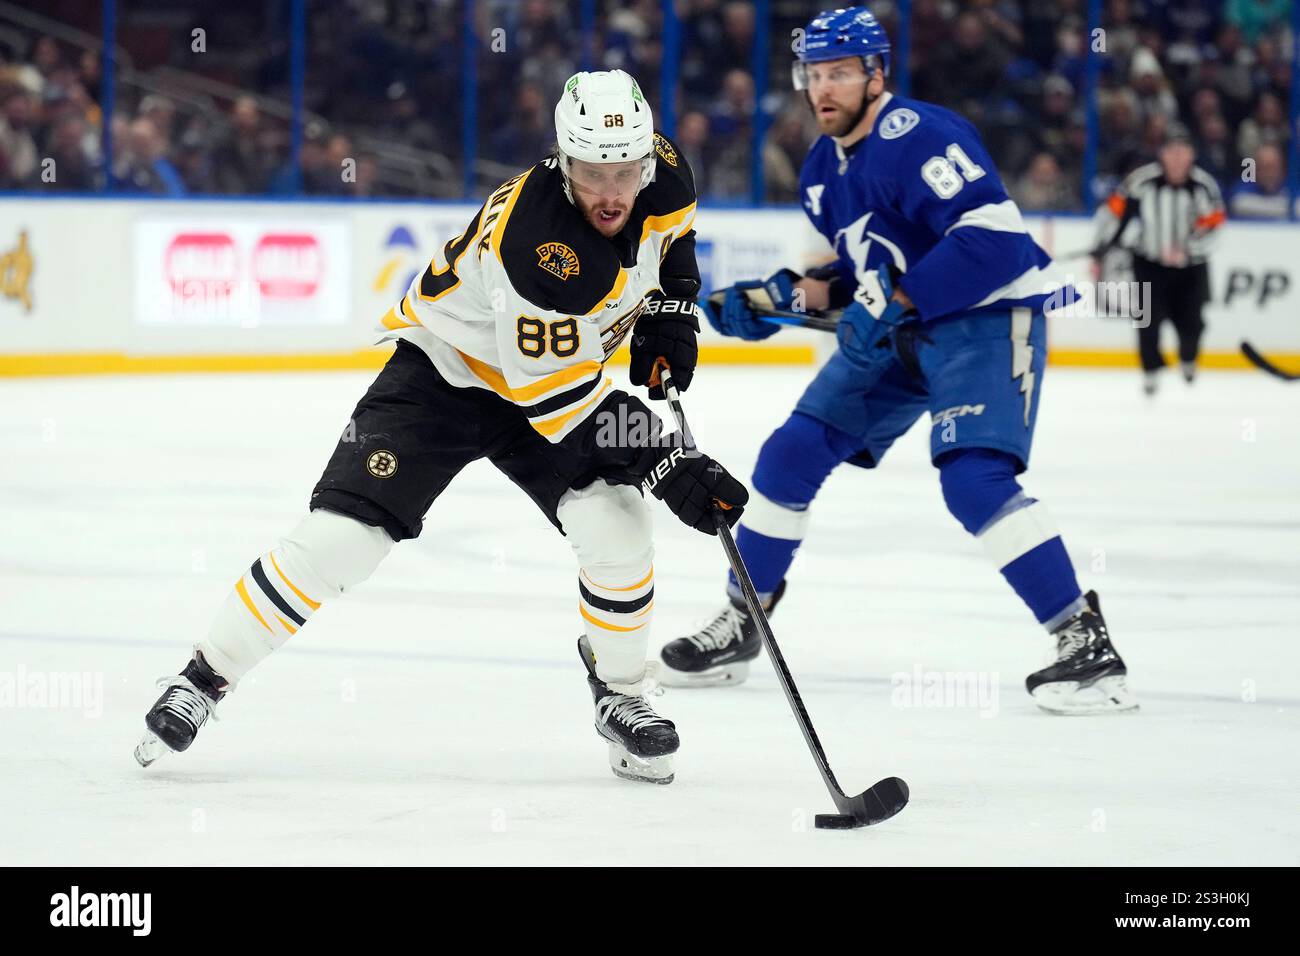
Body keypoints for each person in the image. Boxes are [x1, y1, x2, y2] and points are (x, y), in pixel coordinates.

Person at [134, 70, 749, 785]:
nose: (611, 192)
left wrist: (675, 305)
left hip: (551, 379)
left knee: (618, 526)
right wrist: (666, 460)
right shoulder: (538, 248)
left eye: (624, 171)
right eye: (590, 172)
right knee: (344, 539)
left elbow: (674, 243)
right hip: (447, 377)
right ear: (561, 159)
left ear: (647, 158)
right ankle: (203, 677)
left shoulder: (665, 172)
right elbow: (560, 402)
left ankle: (619, 693)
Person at [657, 7, 1137, 715]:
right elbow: (863, 273)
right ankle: (742, 622)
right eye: (813, 74)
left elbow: (995, 242)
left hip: (984, 320)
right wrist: (781, 296)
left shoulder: (920, 135)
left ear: (876, 74)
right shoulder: (821, 170)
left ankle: (1084, 642)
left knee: (974, 480)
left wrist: (898, 300)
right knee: (789, 454)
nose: (824, 89)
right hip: (904, 328)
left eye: (840, 73)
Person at [1092, 124, 1225, 395]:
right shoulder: (1141, 182)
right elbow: (1112, 214)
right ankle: (1151, 369)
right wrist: (1102, 246)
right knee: (1147, 320)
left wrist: (1189, 249)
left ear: (1192, 154)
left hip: (1191, 267)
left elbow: (1214, 227)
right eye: (1171, 150)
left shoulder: (1203, 187)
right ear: (1161, 154)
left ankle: (1188, 358)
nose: (1177, 157)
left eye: (1182, 150)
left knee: (1192, 322)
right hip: (1149, 264)